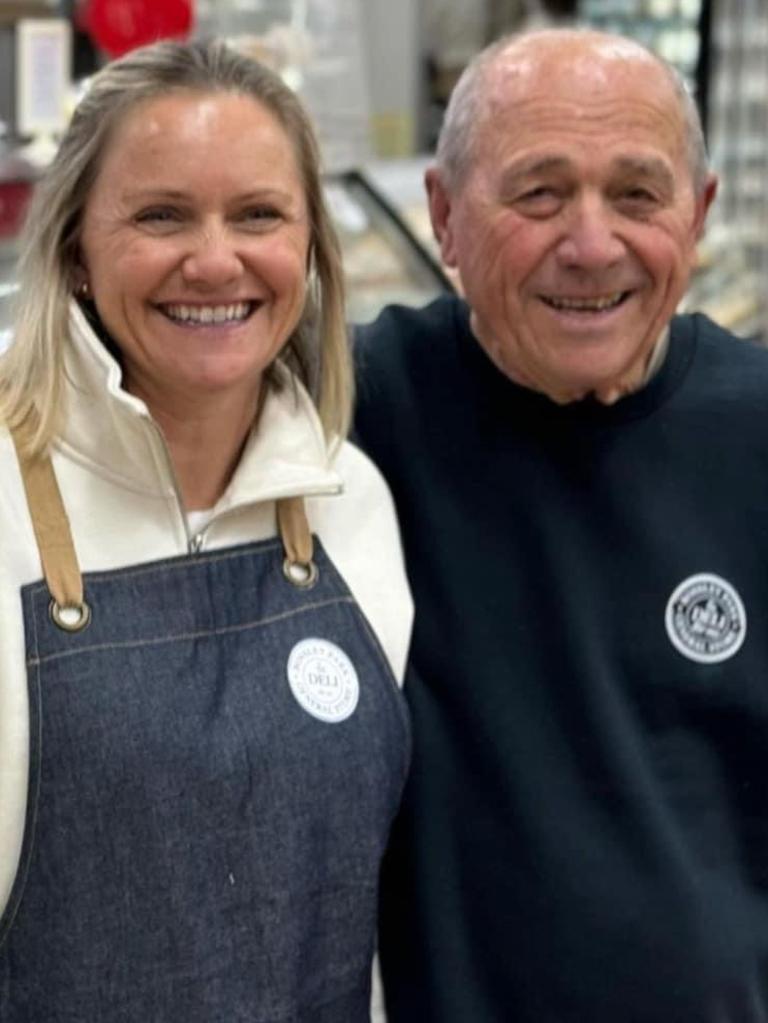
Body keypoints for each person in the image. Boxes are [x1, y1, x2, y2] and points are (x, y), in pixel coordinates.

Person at [354, 27, 768, 1022]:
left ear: (700, 215)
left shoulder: (756, 429)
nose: (591, 245)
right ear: (445, 219)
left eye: (638, 195)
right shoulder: (353, 411)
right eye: (538, 195)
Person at [0, 39, 412, 1021]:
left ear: (310, 249)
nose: (217, 259)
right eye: (161, 215)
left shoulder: (349, 499)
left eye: (260, 214)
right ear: (76, 255)